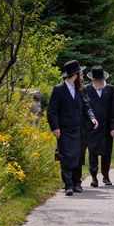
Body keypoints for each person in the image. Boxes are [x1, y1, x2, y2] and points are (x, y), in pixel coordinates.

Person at [47, 59, 98, 196]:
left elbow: (86, 107)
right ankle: (68, 185)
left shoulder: (80, 90)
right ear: (75, 75)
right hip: (64, 130)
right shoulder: (58, 90)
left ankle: (77, 183)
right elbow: (51, 111)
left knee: (78, 156)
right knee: (66, 157)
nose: (82, 75)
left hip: (79, 129)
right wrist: (55, 128)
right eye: (80, 73)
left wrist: (92, 117)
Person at [84, 65, 114, 186]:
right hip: (92, 128)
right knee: (93, 153)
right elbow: (85, 108)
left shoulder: (110, 89)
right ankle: (93, 177)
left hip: (106, 127)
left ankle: (106, 176)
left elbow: (113, 110)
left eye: (101, 79)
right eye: (97, 80)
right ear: (92, 80)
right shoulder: (86, 89)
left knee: (107, 153)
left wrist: (113, 127)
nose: (100, 82)